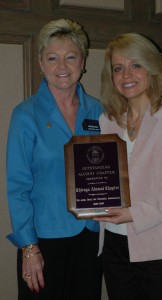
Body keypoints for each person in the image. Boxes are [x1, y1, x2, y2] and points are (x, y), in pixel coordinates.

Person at [94, 33, 162, 300]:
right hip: (114, 246)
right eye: (118, 68)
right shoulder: (107, 121)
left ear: (152, 68)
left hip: (161, 247)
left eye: (135, 65)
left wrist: (133, 214)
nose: (126, 74)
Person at [6, 18, 103, 300]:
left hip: (90, 234)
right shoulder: (26, 114)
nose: (62, 66)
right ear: (41, 63)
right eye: (53, 58)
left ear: (83, 62)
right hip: (43, 241)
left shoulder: (99, 111)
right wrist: (28, 248)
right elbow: (17, 187)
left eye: (70, 57)